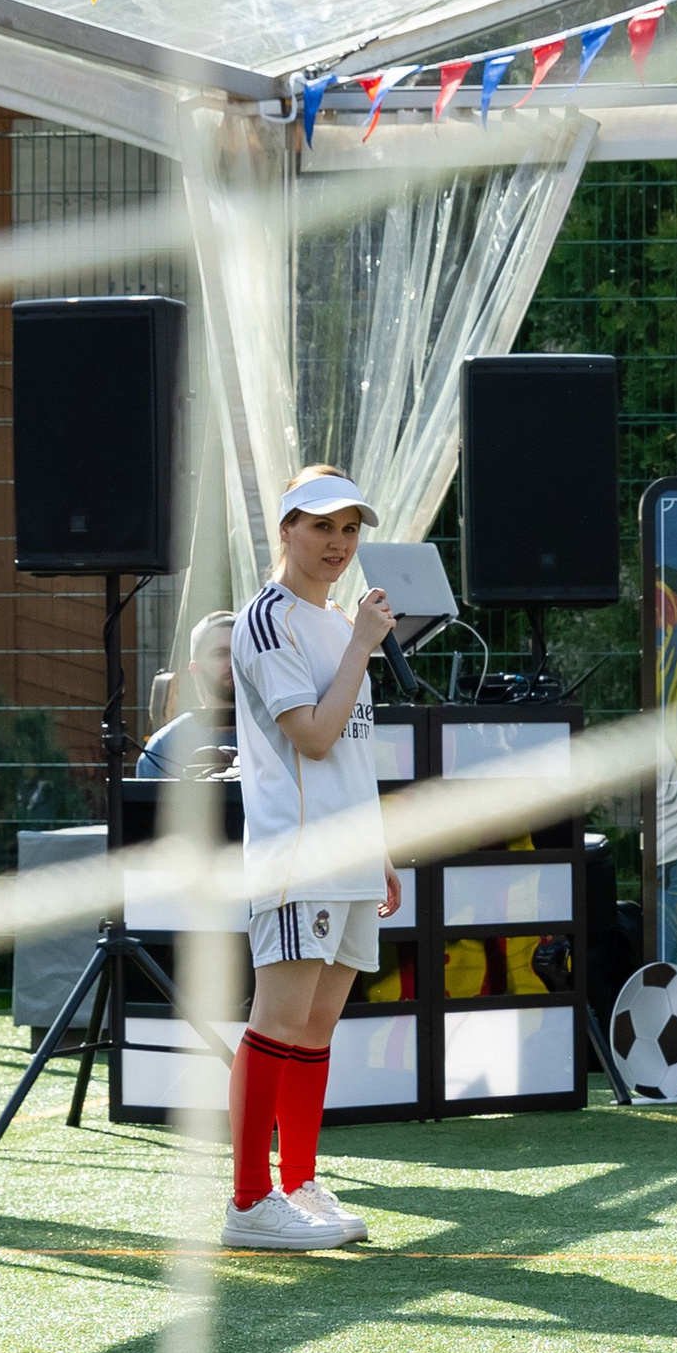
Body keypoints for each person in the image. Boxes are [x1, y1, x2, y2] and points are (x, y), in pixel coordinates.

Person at [221, 465, 403, 1252]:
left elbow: (349, 757)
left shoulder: (334, 620)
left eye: (349, 529)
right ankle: (249, 1199)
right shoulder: (269, 619)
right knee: (280, 1017)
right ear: (287, 530)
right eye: (321, 526)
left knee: (318, 1023)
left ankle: (297, 1182)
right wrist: (364, 645)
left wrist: (381, 851)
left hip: (350, 855)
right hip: (297, 855)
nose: (337, 542)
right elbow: (315, 736)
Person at [136, 611, 238, 779]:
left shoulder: (281, 732)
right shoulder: (162, 749)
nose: (233, 662)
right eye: (220, 654)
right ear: (194, 668)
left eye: (240, 651)